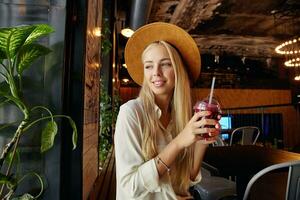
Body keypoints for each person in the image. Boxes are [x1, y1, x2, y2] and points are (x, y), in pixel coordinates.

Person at [114, 22, 221, 200]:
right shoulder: (130, 112)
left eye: (165, 64)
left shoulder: (182, 116)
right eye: (148, 66)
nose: (155, 72)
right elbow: (130, 188)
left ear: (177, 70)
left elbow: (187, 179)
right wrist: (179, 142)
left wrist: (202, 142)